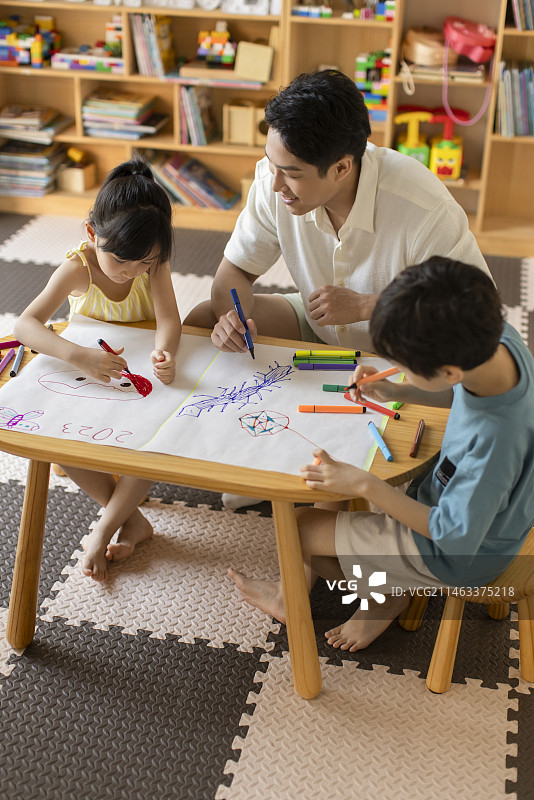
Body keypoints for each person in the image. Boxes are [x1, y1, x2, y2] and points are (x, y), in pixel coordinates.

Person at [184, 68, 491, 509]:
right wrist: (234, 317)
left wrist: (370, 305)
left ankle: (321, 483)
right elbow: (232, 274)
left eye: (290, 173)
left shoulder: (423, 207)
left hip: (400, 358)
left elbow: (474, 312)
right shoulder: (277, 178)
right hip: (321, 330)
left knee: (341, 499)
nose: (274, 185)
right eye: (272, 166)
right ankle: (228, 447)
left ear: (343, 166)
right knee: (200, 319)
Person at [229, 256, 534, 652]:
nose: (396, 369)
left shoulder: (494, 440)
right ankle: (386, 583)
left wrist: (365, 485)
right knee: (341, 494)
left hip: (463, 553)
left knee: (297, 527)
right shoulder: (498, 340)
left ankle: (383, 595)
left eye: (404, 366)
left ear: (447, 370)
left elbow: (452, 533)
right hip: (489, 510)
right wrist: (400, 391)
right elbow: (457, 390)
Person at [14, 157, 182, 581]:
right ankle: (133, 519)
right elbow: (25, 325)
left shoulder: (153, 262)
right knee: (59, 447)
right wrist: (78, 355)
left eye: (142, 264)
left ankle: (107, 524)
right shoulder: (79, 267)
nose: (132, 273)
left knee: (152, 442)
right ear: (92, 234)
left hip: (137, 379)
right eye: (122, 262)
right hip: (93, 377)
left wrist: (164, 352)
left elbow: (168, 320)